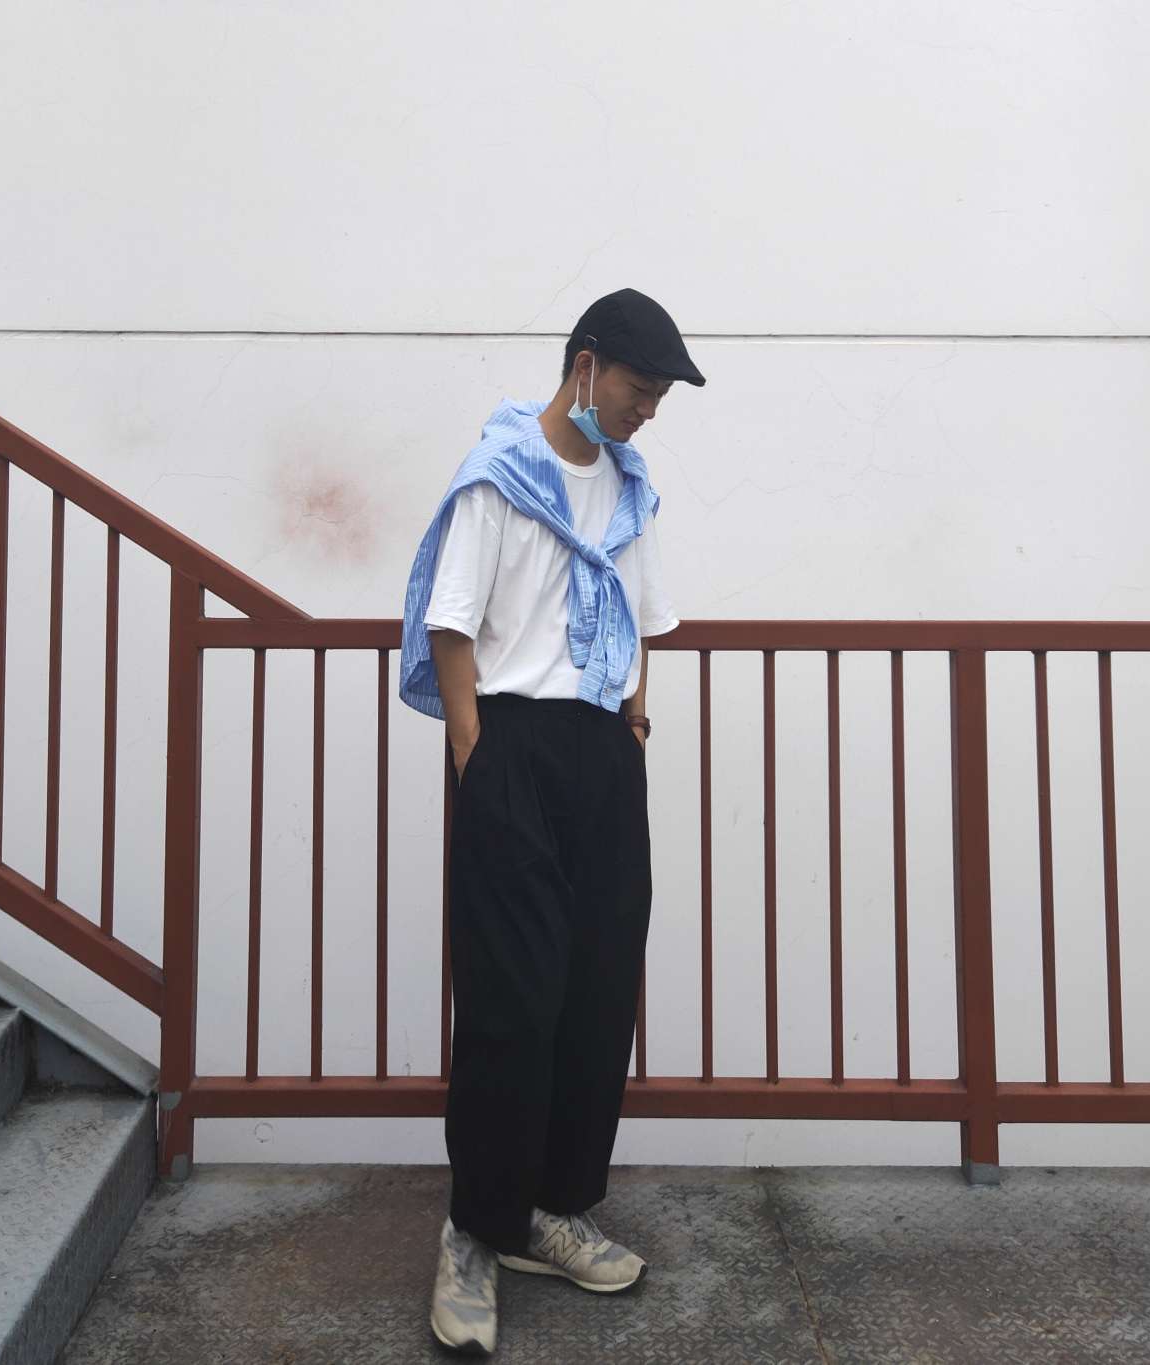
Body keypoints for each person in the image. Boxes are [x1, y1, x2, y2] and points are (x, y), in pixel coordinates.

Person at [399, 287, 705, 1355]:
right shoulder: (500, 477)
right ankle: (474, 1231)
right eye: (637, 388)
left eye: (658, 396)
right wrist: (474, 751)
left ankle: (549, 1210)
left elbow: (640, 617)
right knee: (511, 998)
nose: (645, 410)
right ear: (585, 366)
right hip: (512, 746)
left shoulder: (629, 489)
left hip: (602, 751)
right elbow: (451, 623)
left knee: (597, 988)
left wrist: (632, 721)